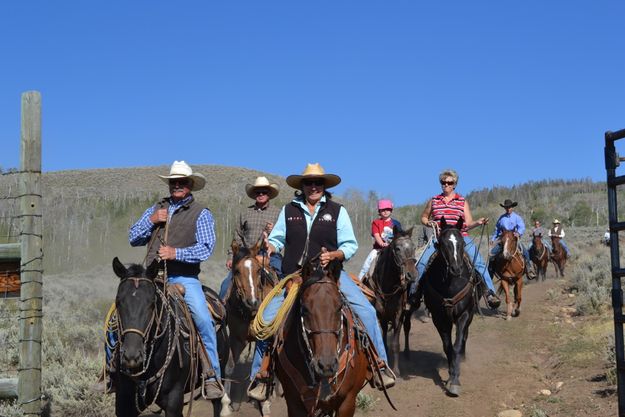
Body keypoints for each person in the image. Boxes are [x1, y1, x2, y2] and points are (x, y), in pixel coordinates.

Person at [247, 163, 395, 401]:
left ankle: (379, 364)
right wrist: (270, 245)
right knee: (265, 321)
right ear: (302, 186)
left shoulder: (337, 211)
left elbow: (350, 245)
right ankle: (261, 375)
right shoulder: (289, 210)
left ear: (324, 186)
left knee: (367, 311)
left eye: (318, 183)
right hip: (295, 277)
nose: (313, 187)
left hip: (330, 276)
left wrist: (335, 255)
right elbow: (277, 239)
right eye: (308, 183)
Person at [128, 160, 224, 400]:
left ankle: (212, 376)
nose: (177, 186)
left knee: (203, 319)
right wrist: (151, 221)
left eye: (182, 182)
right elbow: (133, 237)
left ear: (190, 185)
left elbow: (206, 248)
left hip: (184, 277)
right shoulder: (156, 208)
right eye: (174, 182)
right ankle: (110, 371)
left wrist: (175, 253)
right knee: (118, 316)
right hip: (150, 276)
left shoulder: (201, 212)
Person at [410, 169, 500, 309]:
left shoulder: (462, 201)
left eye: (449, 182)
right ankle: (414, 294)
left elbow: (468, 223)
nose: (445, 185)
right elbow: (424, 217)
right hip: (439, 239)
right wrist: (429, 222)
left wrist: (478, 222)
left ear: (455, 184)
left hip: (461, 238)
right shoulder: (434, 200)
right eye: (443, 182)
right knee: (421, 263)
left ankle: (490, 293)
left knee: (479, 262)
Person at [219, 176, 282, 300]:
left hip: (269, 255)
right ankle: (222, 316)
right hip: (246, 256)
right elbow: (237, 236)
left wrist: (273, 230)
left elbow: (283, 235)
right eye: (258, 192)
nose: (261, 194)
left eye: (264, 191)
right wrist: (231, 257)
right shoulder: (245, 213)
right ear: (254, 194)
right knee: (226, 286)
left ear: (269, 194)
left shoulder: (278, 212)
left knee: (283, 280)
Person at [489, 199, 537, 280]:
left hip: (514, 240)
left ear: (512, 207)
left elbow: (522, 227)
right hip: (503, 240)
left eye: (509, 207)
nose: (508, 209)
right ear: (504, 208)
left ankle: (529, 269)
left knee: (525, 253)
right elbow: (497, 229)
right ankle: (490, 275)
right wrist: (493, 238)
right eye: (506, 207)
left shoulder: (517, 217)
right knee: (492, 255)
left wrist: (518, 233)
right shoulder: (501, 218)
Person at [357, 199, 402, 280]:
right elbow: (377, 235)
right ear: (379, 211)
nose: (385, 211)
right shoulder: (376, 222)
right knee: (366, 265)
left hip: (394, 250)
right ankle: (359, 282)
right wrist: (382, 243)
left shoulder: (396, 224)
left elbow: (400, 238)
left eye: (387, 209)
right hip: (379, 249)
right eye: (383, 210)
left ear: (391, 210)